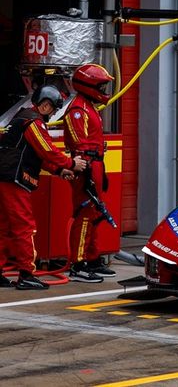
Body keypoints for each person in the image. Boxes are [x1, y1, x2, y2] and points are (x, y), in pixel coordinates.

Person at [0, 85, 86, 290]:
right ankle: (26, 274)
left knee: (3, 227)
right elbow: (47, 151)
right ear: (45, 105)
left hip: (5, 177)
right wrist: (71, 164)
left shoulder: (21, 118)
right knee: (24, 227)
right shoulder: (34, 122)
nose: (54, 113)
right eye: (54, 109)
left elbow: (35, 154)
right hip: (15, 180)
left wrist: (58, 171)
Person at [64, 64, 117, 283]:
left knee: (95, 214)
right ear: (88, 85)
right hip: (85, 167)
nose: (104, 90)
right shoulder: (78, 110)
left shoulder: (89, 107)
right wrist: (87, 176)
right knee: (85, 213)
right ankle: (78, 264)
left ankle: (92, 258)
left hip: (95, 165)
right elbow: (79, 145)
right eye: (101, 85)